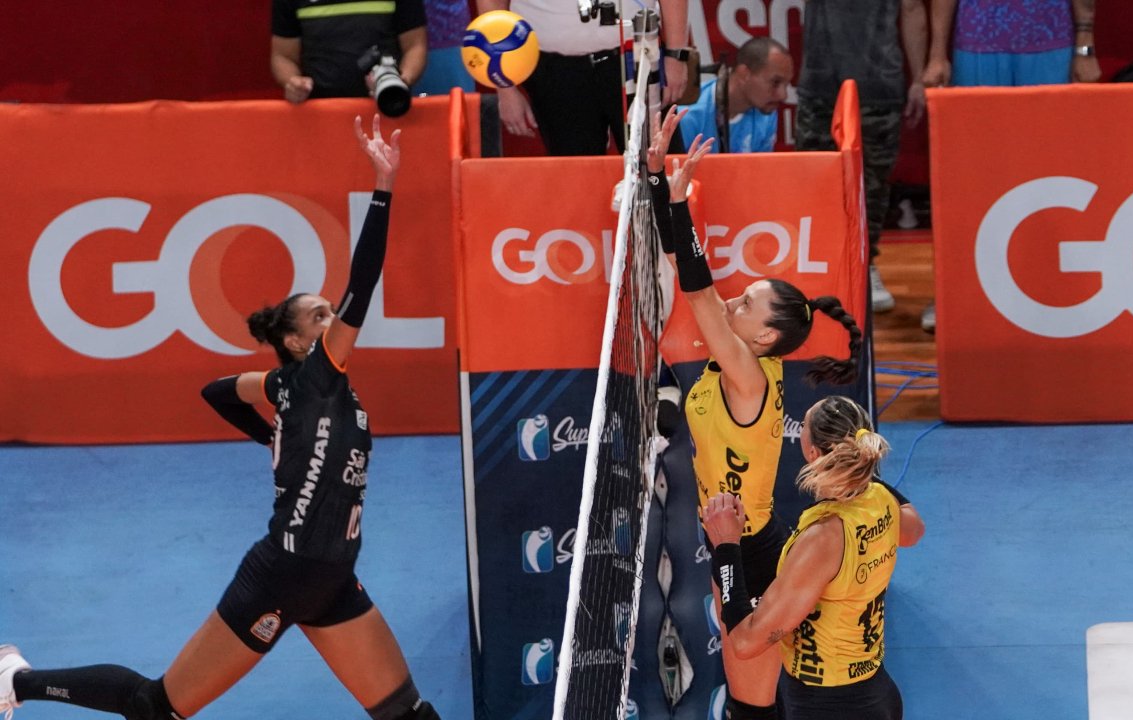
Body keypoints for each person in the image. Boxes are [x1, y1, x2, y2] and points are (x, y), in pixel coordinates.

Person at [0, 116, 442, 720]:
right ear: (294, 340)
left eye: (327, 311)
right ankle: (17, 680)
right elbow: (360, 287)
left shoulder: (294, 385)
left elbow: (220, 391)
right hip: (283, 573)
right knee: (157, 707)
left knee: (405, 713)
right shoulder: (315, 374)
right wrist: (383, 183)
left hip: (333, 577)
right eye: (318, 315)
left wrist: (275, 437)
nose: (331, 316)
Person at [647, 107, 866, 720]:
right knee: (754, 703)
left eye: (746, 302)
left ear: (767, 338)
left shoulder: (748, 375)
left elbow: (696, 288)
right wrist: (656, 180)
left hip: (749, 551)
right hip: (740, 538)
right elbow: (691, 276)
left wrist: (679, 195)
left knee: (753, 705)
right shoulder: (741, 359)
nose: (733, 299)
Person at [703, 395, 924, 720]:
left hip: (829, 707)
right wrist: (863, 481)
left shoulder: (823, 539)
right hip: (876, 694)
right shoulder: (882, 499)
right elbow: (913, 530)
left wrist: (726, 546)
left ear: (812, 453)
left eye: (803, 425)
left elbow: (746, 643)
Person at [916, 0, 1098, 333]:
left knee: (1048, 171)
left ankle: (1048, 288)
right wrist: (937, 54)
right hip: (977, 44)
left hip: (1050, 43)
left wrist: (1085, 49)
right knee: (973, 175)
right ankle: (954, 292)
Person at [794, 0, 929, 315]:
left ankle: (863, 265)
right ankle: (819, 269)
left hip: (875, 83)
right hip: (821, 82)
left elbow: (911, 9)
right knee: (818, 184)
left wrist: (920, 77)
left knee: (871, 184)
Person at [478, 0, 689, 155]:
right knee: (577, 180)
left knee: (660, 169)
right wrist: (504, 86)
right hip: (555, 72)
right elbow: (491, 6)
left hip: (638, 57)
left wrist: (676, 54)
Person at [272, 0, 428, 103]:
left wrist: (402, 80)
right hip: (318, 114)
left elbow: (415, 46)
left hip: (385, 108)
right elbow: (283, 56)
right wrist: (292, 82)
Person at [676, 36, 793, 154]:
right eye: (775, 82)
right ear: (744, 74)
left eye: (786, 85)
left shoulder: (767, 114)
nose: (783, 95)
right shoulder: (686, 115)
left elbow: (761, 170)